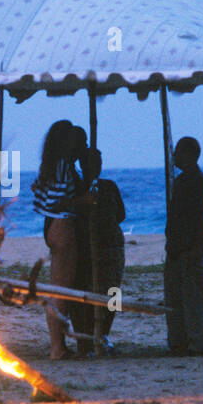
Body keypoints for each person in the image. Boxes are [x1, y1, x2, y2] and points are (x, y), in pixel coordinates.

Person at [31, 120, 89, 360]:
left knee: (59, 288)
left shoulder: (50, 165)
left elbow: (41, 195)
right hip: (63, 223)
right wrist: (84, 201)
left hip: (52, 224)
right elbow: (59, 201)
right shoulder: (63, 166)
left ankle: (59, 344)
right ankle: (57, 347)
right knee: (61, 291)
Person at [164, 136, 203, 355]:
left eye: (179, 152)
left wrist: (197, 247)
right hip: (176, 247)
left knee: (193, 298)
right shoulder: (183, 180)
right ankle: (179, 340)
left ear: (191, 155)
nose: (175, 157)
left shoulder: (197, 181)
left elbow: (202, 217)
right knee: (175, 297)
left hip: (189, 246)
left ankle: (197, 341)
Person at [83, 149, 126, 352]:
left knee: (113, 292)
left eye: (100, 162)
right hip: (91, 247)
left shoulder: (109, 186)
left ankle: (106, 331)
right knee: (89, 291)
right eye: (94, 162)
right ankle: (90, 334)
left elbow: (121, 214)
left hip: (112, 246)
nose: (98, 166)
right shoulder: (81, 190)